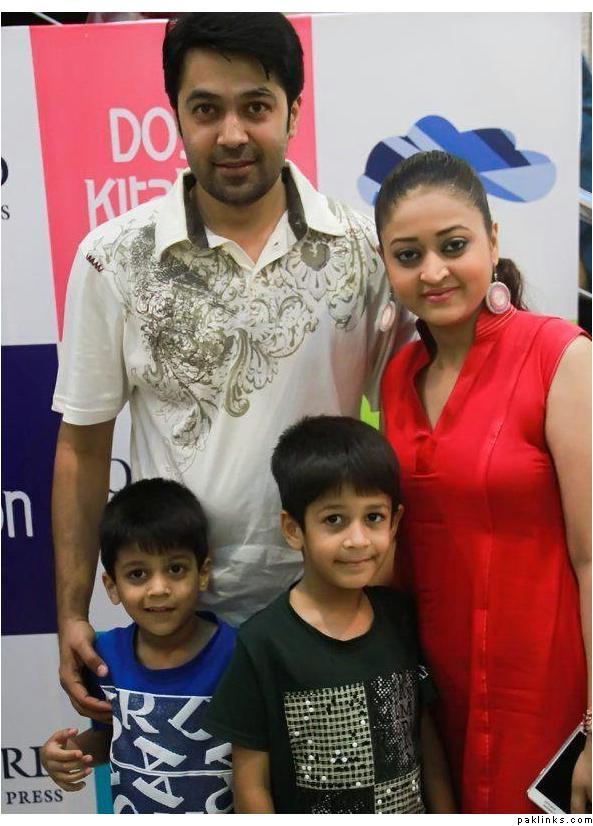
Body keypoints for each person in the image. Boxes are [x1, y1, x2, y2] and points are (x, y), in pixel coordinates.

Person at [51, 12, 413, 723]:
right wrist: (70, 612)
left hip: (333, 612)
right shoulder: (114, 257)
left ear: (294, 112)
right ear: (176, 116)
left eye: (255, 107)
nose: (233, 134)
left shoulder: (362, 251)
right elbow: (82, 448)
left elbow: (417, 421)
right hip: (178, 628)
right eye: (206, 109)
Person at [376, 150, 591, 813]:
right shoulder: (396, 376)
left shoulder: (562, 356)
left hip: (547, 688)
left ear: (492, 241)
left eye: (453, 245)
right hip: (435, 689)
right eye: (408, 255)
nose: (433, 271)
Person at [203, 415, 455, 813]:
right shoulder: (263, 642)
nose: (357, 540)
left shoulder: (401, 617)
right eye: (334, 520)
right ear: (293, 529)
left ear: (395, 523)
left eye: (373, 517)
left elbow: (427, 747)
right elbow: (252, 785)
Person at [41, 478, 236, 814]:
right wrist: (68, 752)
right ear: (112, 586)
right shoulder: (104, 657)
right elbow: (110, 738)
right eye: (137, 574)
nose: (158, 589)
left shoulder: (238, 653)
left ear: (203, 573)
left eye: (175, 569)